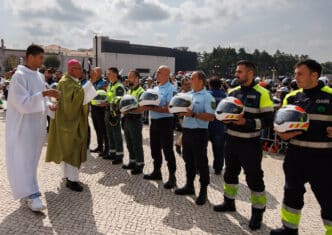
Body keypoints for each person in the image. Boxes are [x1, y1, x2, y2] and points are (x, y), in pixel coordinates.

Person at [271, 60, 332, 235]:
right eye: (295, 73)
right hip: (295, 156)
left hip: (324, 158)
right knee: (291, 193)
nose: (295, 77)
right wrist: (281, 134)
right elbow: (279, 124)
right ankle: (289, 229)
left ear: (315, 75)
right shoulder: (292, 97)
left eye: (300, 74)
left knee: (328, 199)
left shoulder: (330, 96)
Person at [213, 60, 274, 230]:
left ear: (250, 73)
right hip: (231, 140)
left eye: (239, 72)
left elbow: (268, 121)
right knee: (230, 174)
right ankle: (229, 202)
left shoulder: (263, 93)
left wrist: (246, 122)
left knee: (254, 178)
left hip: (250, 142)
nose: (236, 74)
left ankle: (257, 212)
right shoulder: (232, 91)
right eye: (236, 71)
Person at [5, 44, 60, 211]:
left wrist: (50, 105)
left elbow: (40, 98)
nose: (42, 61)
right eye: (40, 58)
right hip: (23, 127)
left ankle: (28, 190)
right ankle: (32, 194)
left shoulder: (38, 76)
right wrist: (44, 95)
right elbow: (22, 103)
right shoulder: (19, 76)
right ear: (30, 57)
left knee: (32, 161)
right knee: (24, 160)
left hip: (36, 126)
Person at [45, 59, 97, 192]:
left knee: (67, 150)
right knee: (72, 150)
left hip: (68, 122)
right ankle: (72, 180)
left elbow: (77, 97)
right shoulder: (66, 82)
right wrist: (91, 81)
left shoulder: (70, 81)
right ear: (72, 69)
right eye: (79, 68)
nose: (81, 71)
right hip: (70, 123)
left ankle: (68, 177)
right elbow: (75, 102)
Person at [174, 71, 215, 205]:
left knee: (201, 163)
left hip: (199, 133)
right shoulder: (188, 95)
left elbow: (211, 117)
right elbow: (184, 112)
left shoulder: (208, 97)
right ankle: (189, 186)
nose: (189, 81)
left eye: (192, 78)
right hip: (187, 131)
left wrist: (194, 114)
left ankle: (203, 191)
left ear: (201, 81)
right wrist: (180, 113)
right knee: (188, 160)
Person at [143, 65, 177, 189]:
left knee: (167, 150)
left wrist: (152, 107)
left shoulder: (172, 89)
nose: (157, 74)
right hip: (154, 122)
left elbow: (169, 109)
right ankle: (157, 171)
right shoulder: (154, 88)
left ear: (167, 75)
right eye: (157, 72)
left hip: (166, 122)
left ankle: (172, 176)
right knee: (154, 149)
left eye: (159, 72)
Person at [121, 70, 145, 174]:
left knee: (136, 143)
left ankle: (139, 164)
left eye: (130, 77)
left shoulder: (141, 91)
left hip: (135, 119)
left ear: (136, 78)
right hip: (127, 119)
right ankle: (132, 161)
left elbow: (142, 108)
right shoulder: (129, 90)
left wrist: (128, 110)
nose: (128, 79)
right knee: (129, 142)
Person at [104, 67, 125, 164]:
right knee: (110, 134)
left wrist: (108, 104)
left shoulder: (119, 86)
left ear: (115, 74)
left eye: (109, 73)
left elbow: (119, 101)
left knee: (116, 134)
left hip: (115, 113)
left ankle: (119, 155)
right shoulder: (110, 85)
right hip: (108, 111)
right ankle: (112, 153)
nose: (108, 75)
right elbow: (108, 98)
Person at [208, 76, 227, 175]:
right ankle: (218, 168)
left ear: (210, 85)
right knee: (219, 149)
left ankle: (200, 166)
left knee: (202, 147)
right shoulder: (225, 96)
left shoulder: (207, 95)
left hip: (206, 124)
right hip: (220, 125)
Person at [90, 67, 109, 156]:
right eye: (94, 71)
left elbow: (106, 95)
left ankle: (106, 148)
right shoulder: (93, 82)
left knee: (103, 129)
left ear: (100, 73)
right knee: (97, 128)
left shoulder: (104, 82)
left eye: (97, 72)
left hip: (101, 109)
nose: (95, 73)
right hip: (93, 107)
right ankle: (100, 146)